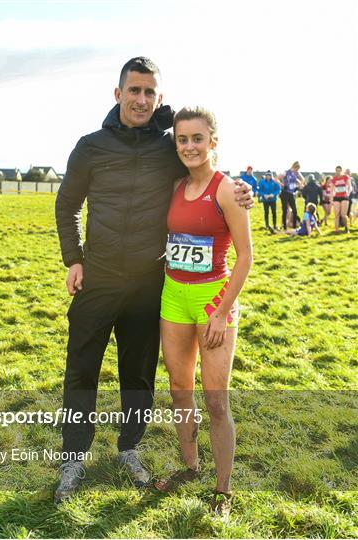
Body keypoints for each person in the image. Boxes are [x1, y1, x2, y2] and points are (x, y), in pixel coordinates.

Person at [54, 57, 253, 504]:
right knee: (82, 373)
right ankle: (73, 457)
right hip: (97, 280)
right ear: (118, 93)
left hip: (149, 285)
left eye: (150, 93)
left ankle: (129, 448)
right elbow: (66, 208)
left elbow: (200, 155)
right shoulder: (89, 147)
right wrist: (74, 258)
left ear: (159, 98)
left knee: (138, 377)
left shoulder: (169, 148)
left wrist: (241, 189)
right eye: (134, 90)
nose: (141, 99)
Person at [154, 106, 253, 522]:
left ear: (213, 142)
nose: (190, 146)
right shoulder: (174, 186)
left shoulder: (229, 190)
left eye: (198, 138)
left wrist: (221, 313)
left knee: (215, 401)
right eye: (182, 139)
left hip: (214, 300)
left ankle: (222, 490)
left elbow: (246, 257)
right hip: (173, 297)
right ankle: (190, 466)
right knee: (179, 389)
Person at [280, 161, 305, 229]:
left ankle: (294, 227)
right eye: (296, 168)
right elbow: (276, 178)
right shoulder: (286, 172)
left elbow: (303, 179)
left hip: (291, 193)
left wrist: (299, 184)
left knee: (294, 210)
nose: (297, 170)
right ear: (294, 167)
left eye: (298, 169)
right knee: (285, 210)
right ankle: (284, 226)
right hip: (284, 192)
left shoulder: (297, 173)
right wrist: (281, 184)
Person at [330, 165, 351, 233]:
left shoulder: (345, 177)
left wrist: (348, 192)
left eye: (339, 171)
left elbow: (350, 187)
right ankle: (336, 230)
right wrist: (331, 200)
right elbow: (331, 190)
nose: (338, 172)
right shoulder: (334, 179)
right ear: (335, 171)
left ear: (341, 171)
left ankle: (346, 227)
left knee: (343, 214)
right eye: (337, 171)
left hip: (344, 197)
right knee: (336, 214)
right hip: (336, 197)